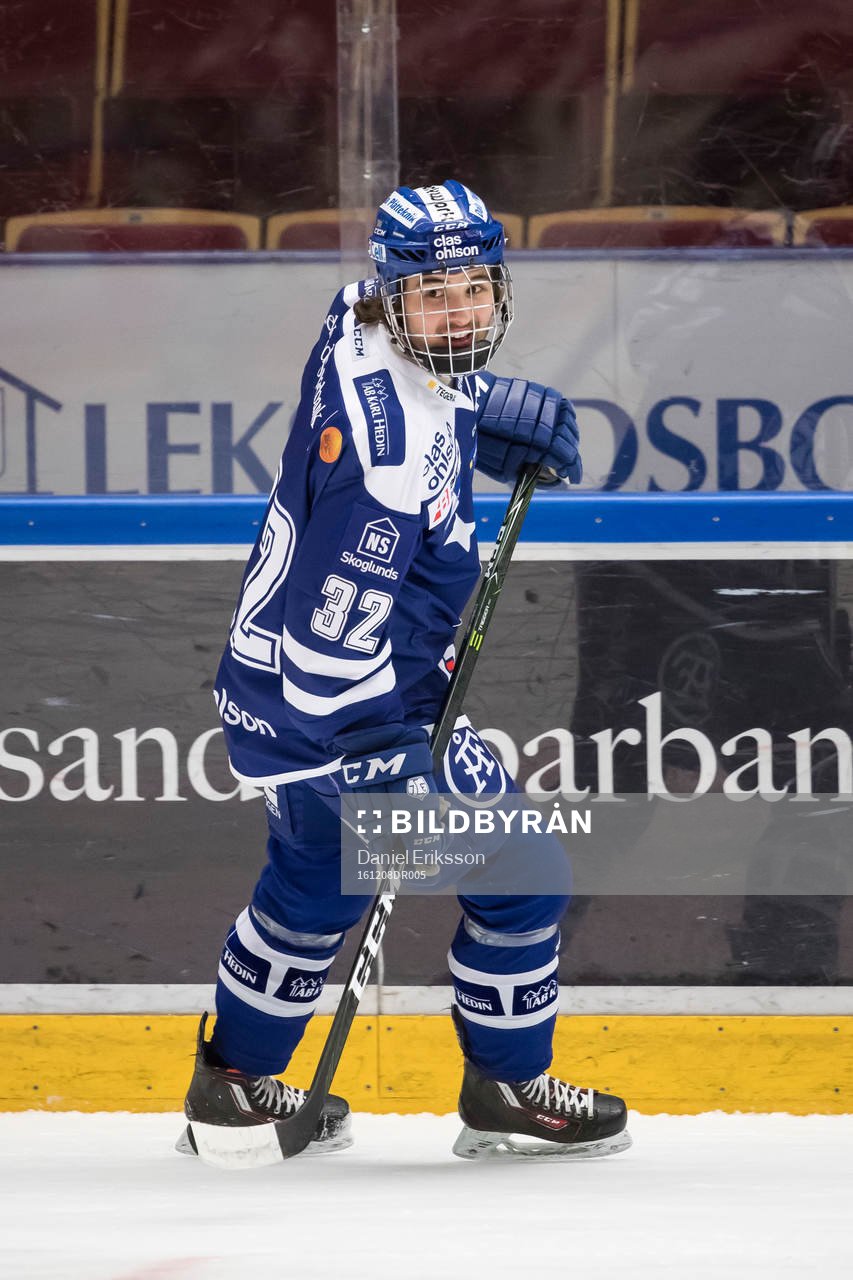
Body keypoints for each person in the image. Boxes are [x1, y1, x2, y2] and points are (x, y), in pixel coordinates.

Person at [179, 180, 630, 1168]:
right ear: (394, 298)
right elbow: (328, 627)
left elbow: (415, 388)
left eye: (475, 287)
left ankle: (232, 1085)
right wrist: (379, 751)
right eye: (436, 294)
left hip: (295, 697)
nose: (461, 311)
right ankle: (504, 1084)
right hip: (338, 707)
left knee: (313, 889)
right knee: (518, 872)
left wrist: (476, 418)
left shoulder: (363, 325)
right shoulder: (383, 464)